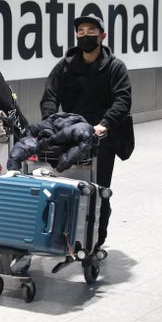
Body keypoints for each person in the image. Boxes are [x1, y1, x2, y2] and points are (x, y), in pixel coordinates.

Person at [40, 14, 134, 250]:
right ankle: (65, 235)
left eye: (91, 30)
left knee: (98, 190)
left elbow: (123, 99)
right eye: (80, 31)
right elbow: (50, 97)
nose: (85, 34)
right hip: (70, 135)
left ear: (102, 35)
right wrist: (52, 122)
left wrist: (105, 124)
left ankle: (95, 240)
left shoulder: (114, 67)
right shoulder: (64, 67)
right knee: (67, 186)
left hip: (101, 138)